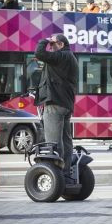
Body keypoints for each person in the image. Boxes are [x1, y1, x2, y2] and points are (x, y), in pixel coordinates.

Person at [34, 34, 78, 182]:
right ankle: (65, 174)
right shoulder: (69, 57)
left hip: (55, 104)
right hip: (65, 104)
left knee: (53, 142)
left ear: (60, 44)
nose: (50, 48)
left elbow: (39, 53)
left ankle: (56, 175)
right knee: (65, 141)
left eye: (52, 45)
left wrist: (45, 40)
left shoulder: (61, 56)